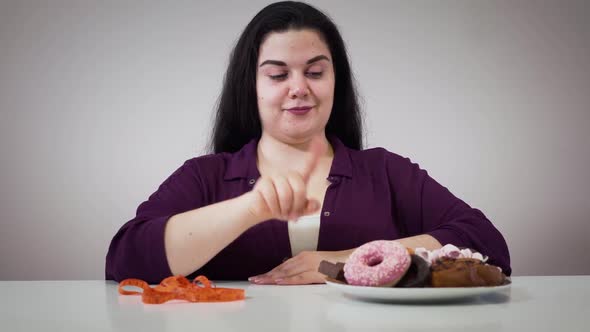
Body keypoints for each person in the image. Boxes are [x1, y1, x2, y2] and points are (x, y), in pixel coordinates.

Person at [105, 1, 511, 285]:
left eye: (314, 72)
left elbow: (486, 243)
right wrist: (249, 209)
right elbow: (125, 260)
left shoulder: (385, 171)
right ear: (252, 87)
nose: (299, 88)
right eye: (278, 75)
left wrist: (345, 262)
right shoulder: (204, 176)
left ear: (336, 81)